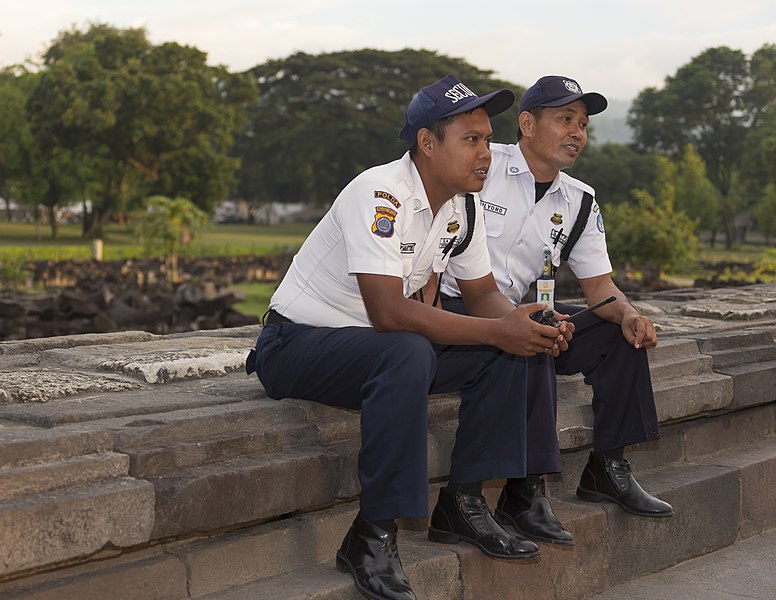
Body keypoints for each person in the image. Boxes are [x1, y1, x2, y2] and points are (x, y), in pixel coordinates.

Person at [246, 75, 574, 600]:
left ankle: (463, 504)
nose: (486, 153)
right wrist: (497, 329)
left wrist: (523, 322)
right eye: (471, 140)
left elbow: (485, 293)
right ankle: (372, 535)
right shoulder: (381, 193)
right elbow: (389, 312)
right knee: (409, 349)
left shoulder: (461, 206)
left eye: (489, 139)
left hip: (370, 350)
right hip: (297, 344)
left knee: (506, 352)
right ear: (427, 143)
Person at [439, 75, 674, 548]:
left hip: (517, 304)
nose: (577, 133)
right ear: (526, 124)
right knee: (539, 331)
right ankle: (526, 491)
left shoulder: (579, 199)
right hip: (456, 306)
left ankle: (608, 467)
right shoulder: (484, 168)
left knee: (617, 333)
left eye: (583, 124)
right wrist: (525, 318)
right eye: (564, 119)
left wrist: (628, 314)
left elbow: (599, 287)